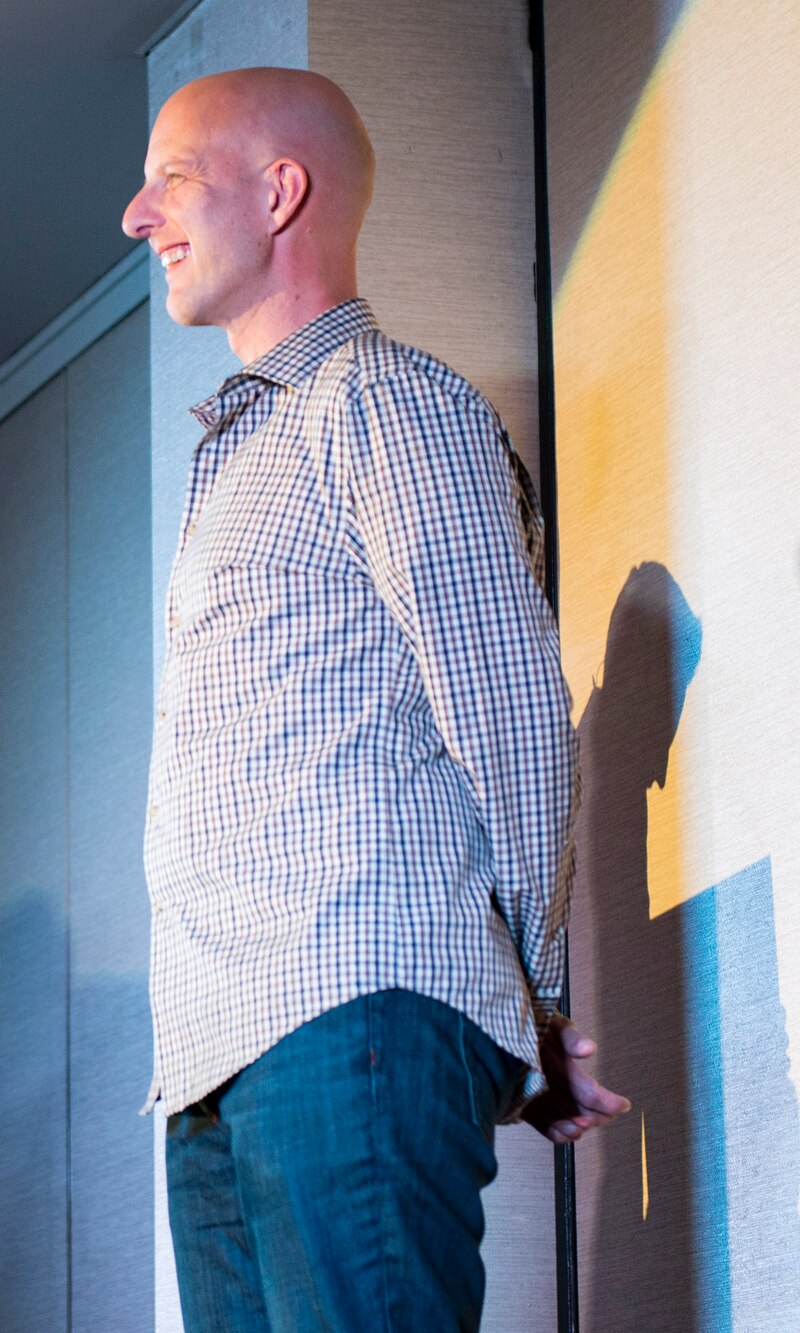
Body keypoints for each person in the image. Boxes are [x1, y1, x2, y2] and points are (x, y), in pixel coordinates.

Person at [122, 67, 631, 1330]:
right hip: (217, 1045)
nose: (138, 215)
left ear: (280, 191)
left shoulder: (383, 400)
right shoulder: (244, 442)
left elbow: (507, 711)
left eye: (172, 178)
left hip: (343, 1003)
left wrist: (534, 988)